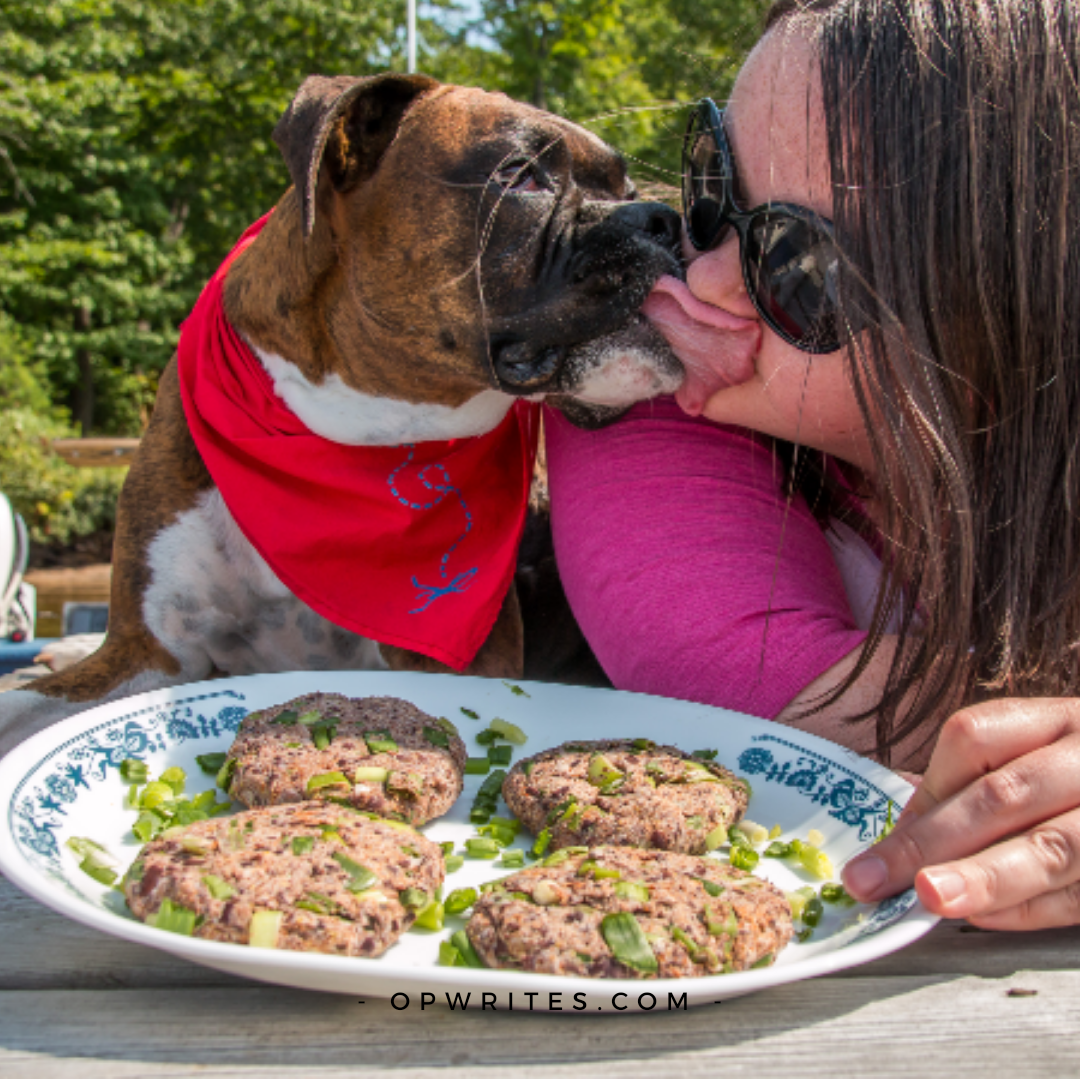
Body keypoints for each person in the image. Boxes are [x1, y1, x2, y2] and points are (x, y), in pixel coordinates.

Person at [546, 0, 1080, 930]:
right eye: (712, 189)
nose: (698, 274)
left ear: (1016, 304)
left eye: (798, 264)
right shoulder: (649, 393)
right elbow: (759, 697)